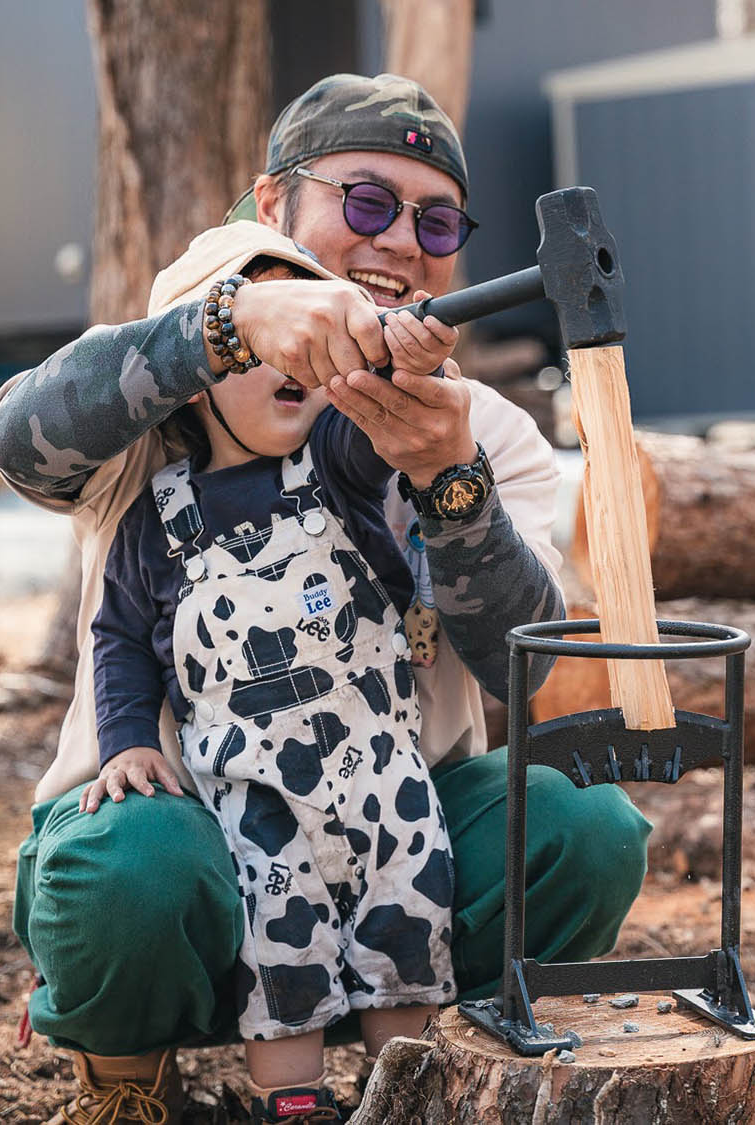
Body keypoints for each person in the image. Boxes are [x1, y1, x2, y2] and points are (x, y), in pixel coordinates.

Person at [0, 74, 652, 1125]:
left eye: (433, 221)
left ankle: (429, 1072)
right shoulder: (166, 391)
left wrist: (448, 482)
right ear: (272, 204)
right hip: (187, 838)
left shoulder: (480, 425)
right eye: (366, 200)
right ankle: (126, 1078)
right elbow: (20, 440)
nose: (399, 242)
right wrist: (230, 321)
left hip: (395, 834)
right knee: (132, 872)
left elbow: (534, 675)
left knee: (584, 830)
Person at [87, 248, 459, 1122]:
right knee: (276, 945)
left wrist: (406, 358)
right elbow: (119, 639)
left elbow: (380, 420)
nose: (289, 366)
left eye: (305, 342)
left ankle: (401, 1090)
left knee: (409, 915)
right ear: (191, 380)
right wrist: (128, 737)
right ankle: (293, 1102)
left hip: (381, 780)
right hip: (256, 799)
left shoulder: (334, 459)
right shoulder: (156, 520)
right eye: (258, 345)